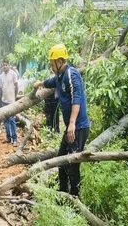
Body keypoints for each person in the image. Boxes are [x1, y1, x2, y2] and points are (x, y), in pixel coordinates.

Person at [34, 44, 89, 196]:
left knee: (72, 164)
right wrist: (40, 83)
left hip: (78, 127)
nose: (51, 66)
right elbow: (51, 82)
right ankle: (63, 193)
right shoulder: (59, 76)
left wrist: (71, 123)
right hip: (71, 128)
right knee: (60, 160)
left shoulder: (72, 73)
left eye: (52, 63)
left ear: (60, 61)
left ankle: (75, 198)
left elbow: (76, 98)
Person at [0, 57, 18, 144]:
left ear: (9, 65)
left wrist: (15, 96)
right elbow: (1, 88)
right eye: (3, 65)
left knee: (12, 120)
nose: (5, 67)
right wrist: (0, 97)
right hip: (4, 101)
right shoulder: (1, 76)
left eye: (6, 65)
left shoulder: (13, 74)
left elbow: (16, 85)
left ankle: (14, 138)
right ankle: (8, 137)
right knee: (5, 120)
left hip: (11, 101)